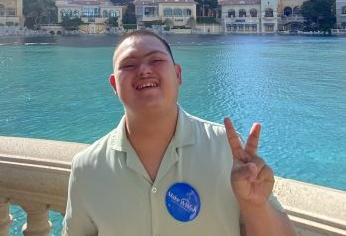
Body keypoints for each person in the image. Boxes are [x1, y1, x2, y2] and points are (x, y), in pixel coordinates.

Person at [63, 29, 296, 236]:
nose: (144, 70)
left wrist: (255, 206)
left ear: (178, 75)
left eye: (156, 60)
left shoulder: (225, 150)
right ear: (114, 85)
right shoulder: (86, 168)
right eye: (129, 65)